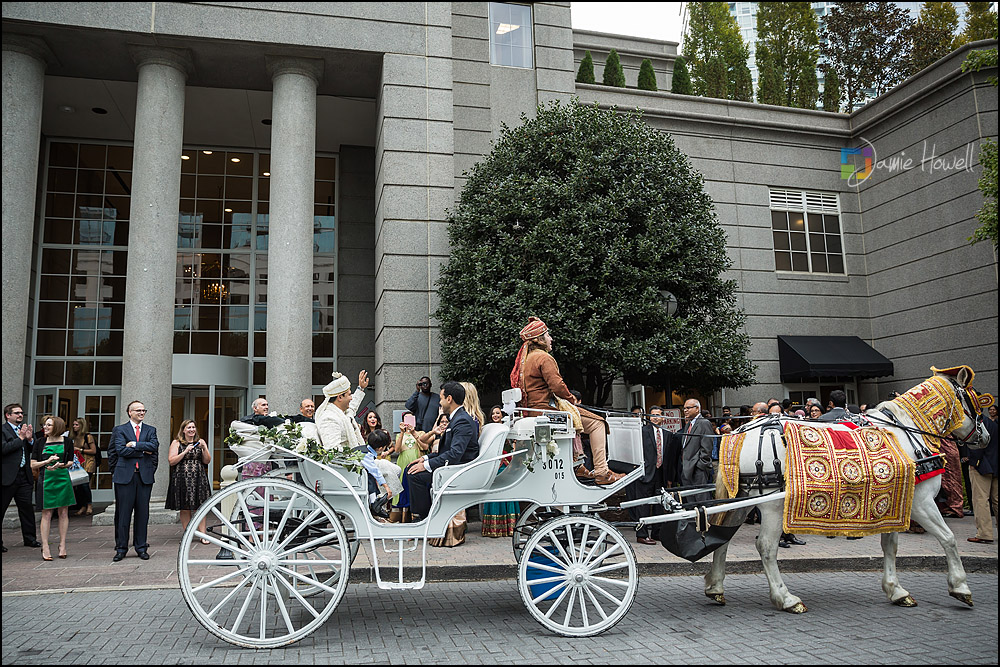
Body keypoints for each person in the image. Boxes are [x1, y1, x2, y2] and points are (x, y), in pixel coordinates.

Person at [510, 317, 623, 485]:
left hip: (534, 411)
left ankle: (578, 465)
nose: (551, 339)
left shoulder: (526, 360)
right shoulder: (543, 357)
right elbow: (557, 386)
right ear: (539, 339)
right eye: (548, 335)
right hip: (546, 412)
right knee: (599, 423)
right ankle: (601, 472)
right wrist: (571, 399)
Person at [406, 381, 479, 521]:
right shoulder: (457, 418)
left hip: (459, 469)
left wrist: (426, 465)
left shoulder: (462, 420)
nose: (440, 402)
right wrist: (425, 459)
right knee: (411, 469)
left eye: (441, 398)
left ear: (449, 399)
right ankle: (423, 517)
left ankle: (424, 519)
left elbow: (455, 454)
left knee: (415, 476)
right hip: (453, 465)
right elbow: (447, 450)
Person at [108, 400, 158, 562]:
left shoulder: (151, 430)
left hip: (144, 477)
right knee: (123, 514)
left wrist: (135, 445)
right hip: (124, 478)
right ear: (130, 412)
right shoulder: (120, 430)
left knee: (143, 514)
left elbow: (154, 447)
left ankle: (141, 547)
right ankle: (121, 548)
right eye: (138, 410)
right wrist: (143, 451)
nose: (141, 413)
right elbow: (119, 451)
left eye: (144, 410)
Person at [30, 415, 75, 560]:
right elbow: (33, 464)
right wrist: (47, 461)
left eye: (49, 425)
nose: (45, 427)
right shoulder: (39, 442)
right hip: (46, 479)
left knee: (63, 512)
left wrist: (60, 464)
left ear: (57, 427)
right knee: (47, 514)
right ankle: (45, 546)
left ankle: (62, 545)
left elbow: (70, 461)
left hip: (62, 478)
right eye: (45, 425)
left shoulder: (67, 442)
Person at [165, 419, 212, 543]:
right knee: (184, 507)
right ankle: (188, 534)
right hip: (182, 478)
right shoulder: (177, 443)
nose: (191, 430)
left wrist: (205, 448)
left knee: (200, 506)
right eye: (188, 427)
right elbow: (171, 461)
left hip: (198, 478)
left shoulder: (200, 442)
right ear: (183, 430)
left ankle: (203, 535)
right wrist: (185, 452)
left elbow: (207, 461)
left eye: (193, 427)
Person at [2, 403, 40, 553]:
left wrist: (30, 440)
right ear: (8, 415)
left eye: (21, 413)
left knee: (26, 508)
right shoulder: (3, 430)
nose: (20, 415)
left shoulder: (24, 430)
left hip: (24, 476)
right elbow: (4, 449)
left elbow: (34, 450)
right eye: (16, 413)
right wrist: (20, 438)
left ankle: (30, 539)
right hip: (7, 477)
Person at [630, 405, 669, 545]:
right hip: (644, 474)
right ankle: (642, 534)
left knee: (659, 504)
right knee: (643, 505)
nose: (655, 417)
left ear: (663, 417)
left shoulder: (667, 433)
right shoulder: (642, 432)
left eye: (658, 415)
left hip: (660, 474)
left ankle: (657, 533)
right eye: (652, 415)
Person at [481, 404, 519, 538]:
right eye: (493, 413)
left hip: (506, 465)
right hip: (493, 467)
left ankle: (510, 527)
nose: (495, 415)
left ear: (502, 415)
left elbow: (513, 447)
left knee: (507, 493)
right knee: (493, 494)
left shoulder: (507, 429)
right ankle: (494, 528)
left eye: (498, 413)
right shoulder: (489, 430)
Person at [967, 406, 997, 544]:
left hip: (981, 465)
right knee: (996, 500)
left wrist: (975, 462)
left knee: (981, 499)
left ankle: (984, 533)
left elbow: (977, 446)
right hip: (995, 464)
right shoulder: (993, 423)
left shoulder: (978, 424)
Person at [390, 411, 425, 522]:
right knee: (403, 486)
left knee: (415, 487)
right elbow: (397, 449)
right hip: (403, 461)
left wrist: (414, 433)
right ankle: (403, 518)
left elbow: (424, 447)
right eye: (406, 420)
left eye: (411, 419)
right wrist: (401, 433)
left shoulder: (421, 433)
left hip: (416, 460)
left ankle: (415, 516)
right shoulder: (399, 435)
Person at [70, 417, 96, 516]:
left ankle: (89, 505)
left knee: (85, 484)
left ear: (82, 425)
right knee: (79, 485)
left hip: (88, 462)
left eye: (76, 425)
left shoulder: (88, 436)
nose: (74, 427)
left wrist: (79, 449)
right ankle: (82, 506)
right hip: (78, 463)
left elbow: (93, 451)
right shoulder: (73, 437)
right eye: (73, 424)